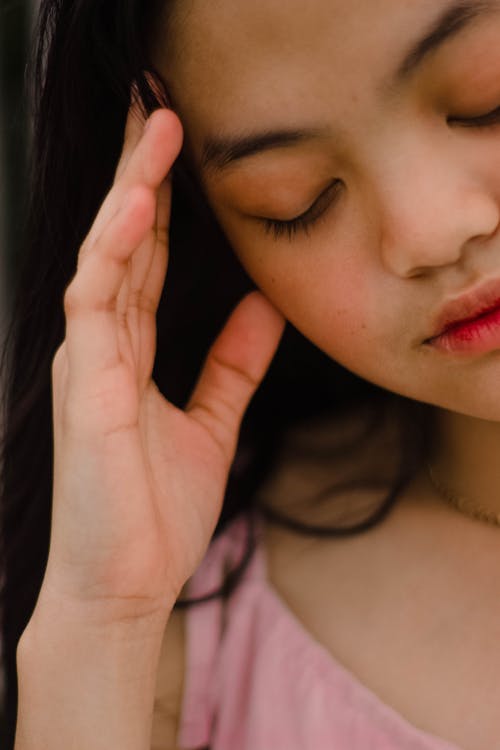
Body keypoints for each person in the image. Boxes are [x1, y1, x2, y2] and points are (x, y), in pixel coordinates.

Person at [2, 0, 500, 747]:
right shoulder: (184, 644)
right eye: (297, 201)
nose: (429, 230)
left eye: (487, 99)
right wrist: (101, 625)